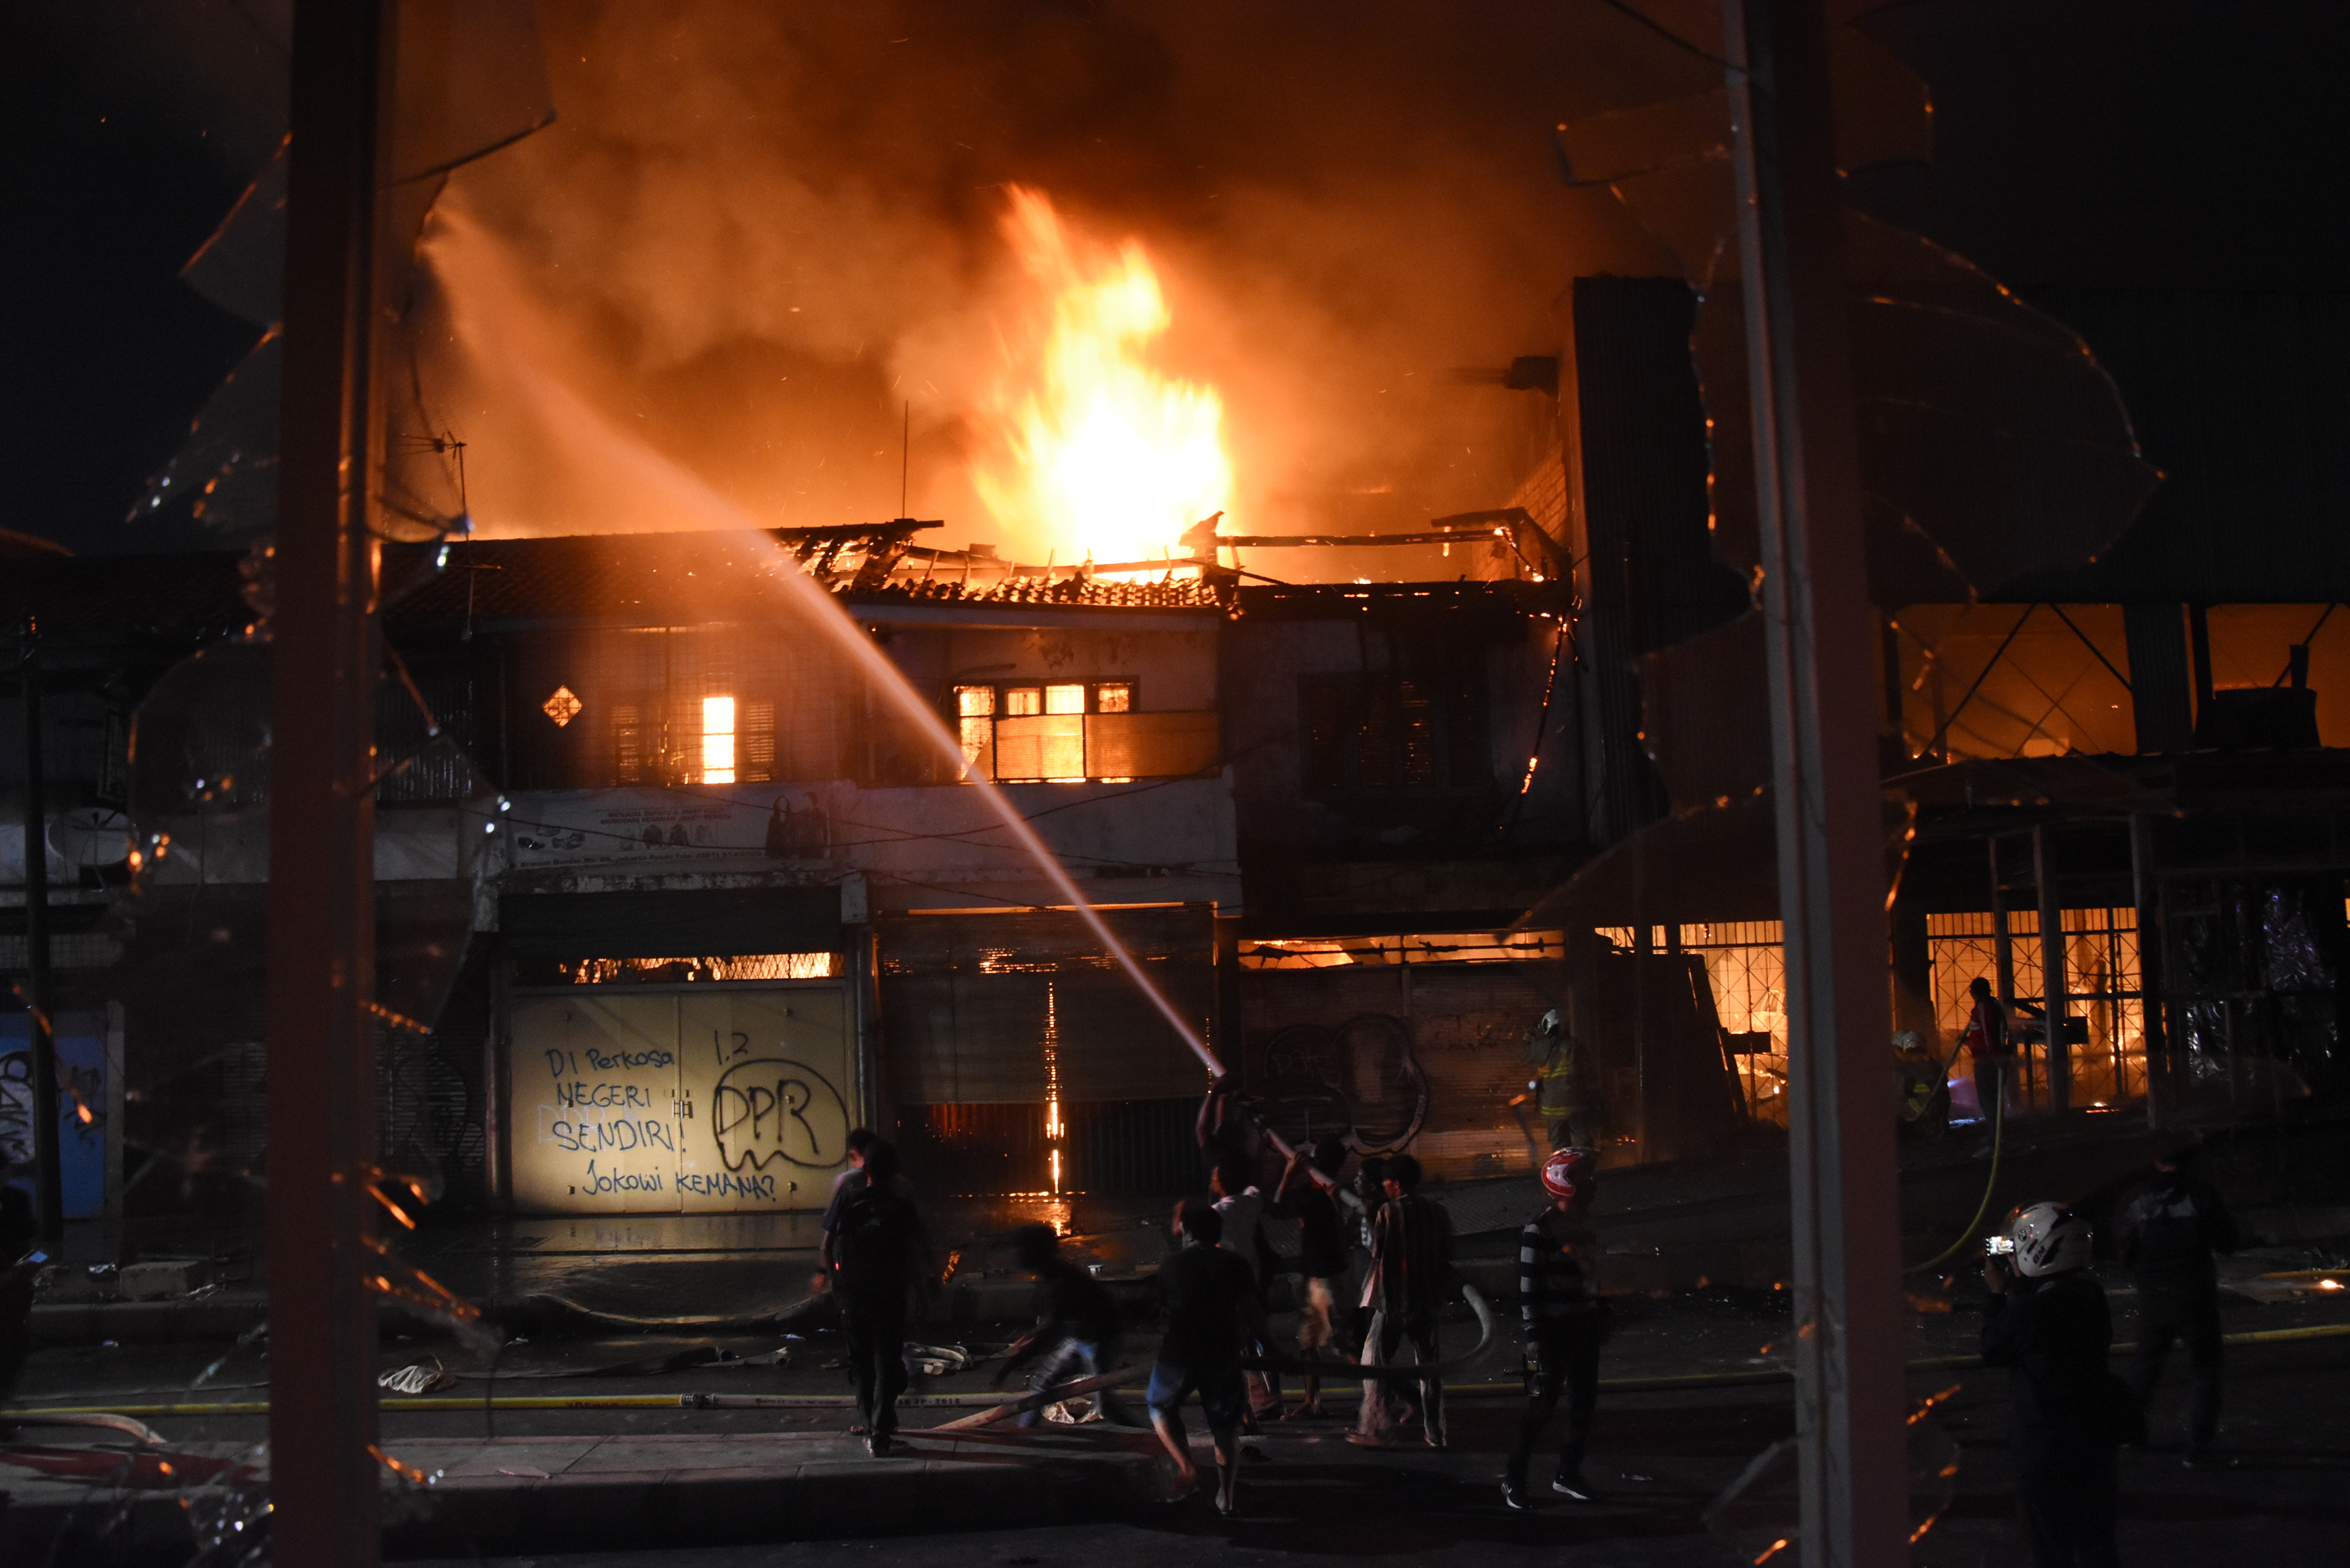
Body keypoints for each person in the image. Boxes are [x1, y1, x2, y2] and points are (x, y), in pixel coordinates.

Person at [1981, 1201, 2121, 1568]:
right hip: (2093, 1440)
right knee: (2097, 1544)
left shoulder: (2029, 1312)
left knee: (2050, 1548)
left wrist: (1997, 1296)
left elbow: (1993, 1348)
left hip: (2045, 1446)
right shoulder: (2091, 1296)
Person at [2118, 1142, 2239, 1464]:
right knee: (2205, 1368)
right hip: (2194, 1293)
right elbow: (2228, 1241)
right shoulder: (2200, 1194)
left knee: (2146, 1366)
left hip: (2154, 1294)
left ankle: (2130, 1436)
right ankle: (2198, 1449)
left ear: (2155, 1160)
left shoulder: (2136, 1198)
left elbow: (2123, 1248)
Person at [1148, 1200, 1271, 1516]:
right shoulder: (1235, 1264)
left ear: (1187, 1232)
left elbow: (1163, 1312)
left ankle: (1187, 1467)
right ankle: (1226, 1498)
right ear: (1217, 1233)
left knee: (1160, 1406)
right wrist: (1274, 1348)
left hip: (1179, 1354)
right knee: (1225, 1428)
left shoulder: (1171, 1265)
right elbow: (1253, 1312)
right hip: (1223, 1354)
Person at [1504, 1148, 1609, 1510]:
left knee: (1583, 1406)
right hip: (1552, 1333)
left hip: (1583, 1328)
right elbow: (1529, 1287)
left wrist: (1602, 1313)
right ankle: (1513, 1479)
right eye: (1581, 1177)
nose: (1591, 1184)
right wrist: (1534, 1336)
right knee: (1540, 1408)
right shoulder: (1538, 1230)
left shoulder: (1585, 1227)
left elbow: (1592, 1278)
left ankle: (1568, 1474)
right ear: (1562, 1181)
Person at [827, 1140, 931, 1456]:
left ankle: (872, 1431)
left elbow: (828, 1244)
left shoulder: (847, 1200)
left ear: (866, 1168)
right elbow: (913, 1254)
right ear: (895, 1170)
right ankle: (881, 1434)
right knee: (887, 1362)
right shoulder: (901, 1206)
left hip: (853, 1296)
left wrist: (836, 1286)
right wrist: (923, 1292)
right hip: (890, 1295)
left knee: (861, 1364)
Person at [1349, 1152, 1455, 1450]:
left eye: (1386, 1183)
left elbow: (1379, 1256)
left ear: (1395, 1184)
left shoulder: (1388, 1212)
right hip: (1427, 1302)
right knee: (1429, 1370)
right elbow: (1448, 1252)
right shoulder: (1437, 1210)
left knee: (1376, 1363)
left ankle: (1377, 1430)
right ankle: (1436, 1433)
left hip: (1394, 1302)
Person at [996, 1222, 1132, 1427]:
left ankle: (1151, 1439)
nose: (1014, 1254)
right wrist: (1030, 1335)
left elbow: (1051, 1330)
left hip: (1101, 1341)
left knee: (1106, 1405)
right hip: (1081, 1338)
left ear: (1034, 1252)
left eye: (1019, 1249)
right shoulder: (1055, 1274)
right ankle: (1024, 1434)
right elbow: (1054, 1321)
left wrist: (1011, 1365)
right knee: (1041, 1388)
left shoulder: (1060, 1282)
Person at [1273, 1136, 1352, 1417]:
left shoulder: (1325, 1196)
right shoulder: (1320, 1192)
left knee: (1344, 1344)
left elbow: (1277, 1208)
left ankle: (1382, 1393)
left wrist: (1288, 1173)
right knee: (1309, 1343)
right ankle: (1312, 1402)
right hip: (1320, 1276)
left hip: (1327, 1278)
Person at [1210, 1155, 1283, 1423]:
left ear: (1221, 1183)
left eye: (1215, 1176)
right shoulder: (1250, 1203)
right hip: (1253, 1281)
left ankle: (1248, 1409)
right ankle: (1272, 1399)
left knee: (1236, 1348)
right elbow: (1255, 1188)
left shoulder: (1217, 1212)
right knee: (1261, 1338)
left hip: (1228, 1287)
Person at [1522, 1008, 1600, 1151]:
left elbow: (1523, 1052)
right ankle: (1583, 1164)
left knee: (1559, 1148)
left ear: (1547, 1027)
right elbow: (1589, 1072)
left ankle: (1562, 1165)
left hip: (1553, 1110)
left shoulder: (1542, 1048)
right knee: (1583, 1145)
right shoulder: (1576, 1046)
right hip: (1577, 1106)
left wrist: (1530, 1033)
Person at [1962, 978, 2014, 1145]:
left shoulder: (1984, 1009)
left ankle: (1995, 1140)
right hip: (1991, 1060)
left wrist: (1995, 1057)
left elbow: (1988, 1035)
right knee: (1993, 1101)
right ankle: (1996, 1136)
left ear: (1973, 993)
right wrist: (1968, 1041)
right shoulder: (1993, 1006)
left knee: (1989, 1102)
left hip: (1987, 1062)